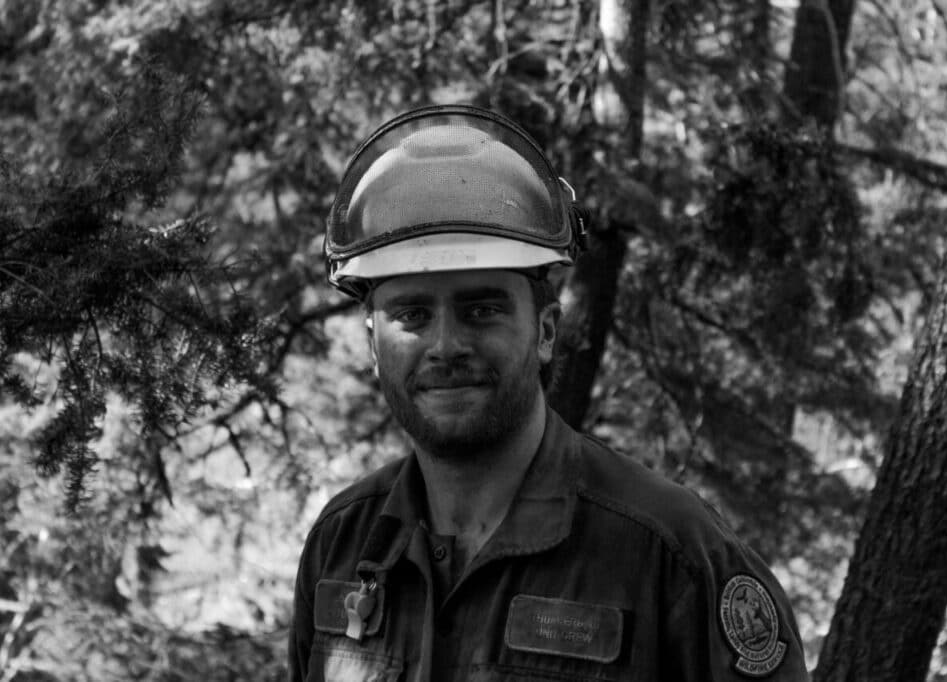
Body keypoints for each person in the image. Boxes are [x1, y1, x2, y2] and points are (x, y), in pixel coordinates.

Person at [289, 104, 810, 681]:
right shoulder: (341, 545)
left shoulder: (671, 554)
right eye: (412, 315)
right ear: (373, 343)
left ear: (545, 332)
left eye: (481, 310)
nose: (446, 345)